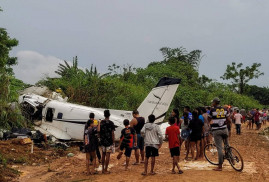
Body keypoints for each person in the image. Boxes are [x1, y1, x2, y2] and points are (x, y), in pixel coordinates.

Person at [208, 98, 231, 171]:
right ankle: (232, 159)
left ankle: (220, 166)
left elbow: (209, 119)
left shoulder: (212, 110)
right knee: (227, 145)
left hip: (216, 130)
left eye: (213, 102)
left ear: (214, 103)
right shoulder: (225, 109)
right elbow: (229, 120)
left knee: (220, 148)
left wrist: (212, 123)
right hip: (225, 129)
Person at [98, 110, 115, 174]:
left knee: (103, 154)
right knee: (108, 155)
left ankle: (102, 169)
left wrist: (99, 138)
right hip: (109, 141)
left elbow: (98, 131)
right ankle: (105, 170)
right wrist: (113, 141)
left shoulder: (101, 122)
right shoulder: (111, 123)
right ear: (109, 115)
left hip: (102, 141)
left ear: (104, 115)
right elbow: (112, 133)